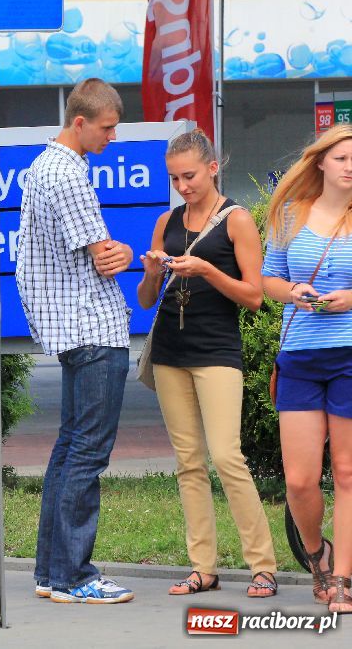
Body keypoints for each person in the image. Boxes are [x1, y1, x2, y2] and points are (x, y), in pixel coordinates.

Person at [137, 129, 277, 598]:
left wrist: (207, 271)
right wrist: (153, 272)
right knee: (188, 463)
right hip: (171, 355)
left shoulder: (235, 219)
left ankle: (263, 565)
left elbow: (255, 297)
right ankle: (204, 567)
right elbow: (145, 300)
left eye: (190, 175)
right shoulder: (167, 221)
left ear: (213, 168)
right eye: (175, 178)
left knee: (226, 456)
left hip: (217, 350)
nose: (183, 186)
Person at [14, 78, 136, 604]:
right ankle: (75, 576)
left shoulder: (45, 167)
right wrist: (128, 252)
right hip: (92, 326)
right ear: (80, 122)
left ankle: (52, 572)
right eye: (107, 128)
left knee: (69, 451)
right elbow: (104, 253)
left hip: (71, 328)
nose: (113, 137)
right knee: (87, 454)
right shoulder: (66, 173)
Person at [262, 124, 352, 614]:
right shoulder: (290, 214)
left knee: (347, 471)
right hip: (299, 355)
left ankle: (343, 579)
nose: (349, 166)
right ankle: (318, 554)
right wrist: (292, 291)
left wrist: (348, 299)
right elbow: (268, 278)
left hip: (350, 354)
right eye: (341, 157)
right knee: (299, 480)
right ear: (320, 162)